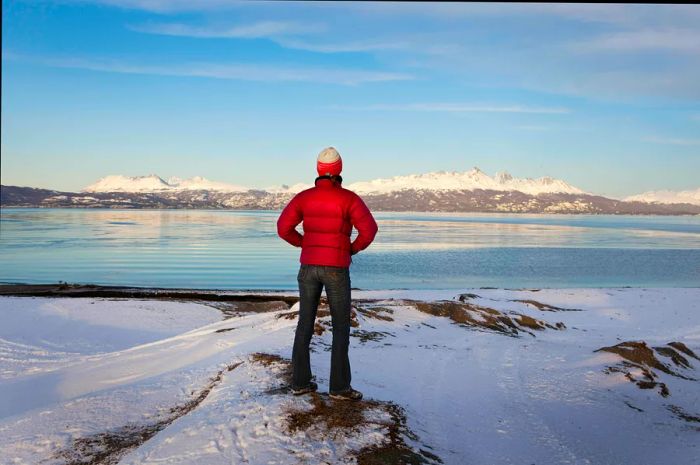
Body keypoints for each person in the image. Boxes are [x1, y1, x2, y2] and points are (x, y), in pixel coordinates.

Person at [277, 147, 378, 401]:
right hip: (336, 268)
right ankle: (339, 388)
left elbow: (283, 228)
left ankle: (300, 382)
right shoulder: (349, 199)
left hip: (308, 267)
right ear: (339, 170)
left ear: (318, 171)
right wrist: (349, 249)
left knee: (304, 324)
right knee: (341, 326)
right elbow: (370, 230)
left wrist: (304, 244)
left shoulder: (304, 197)